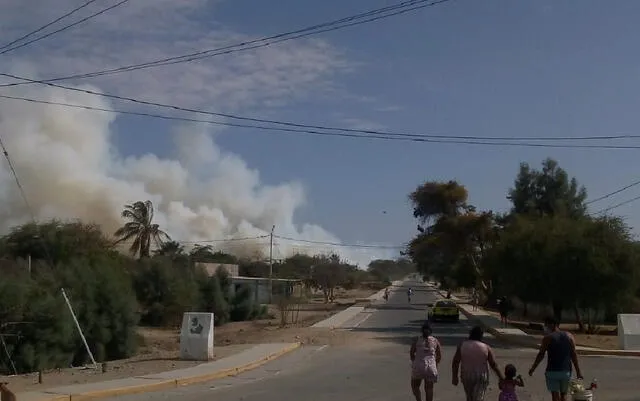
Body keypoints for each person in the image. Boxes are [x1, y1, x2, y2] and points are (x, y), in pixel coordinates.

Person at [528, 317, 583, 401]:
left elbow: (541, 354)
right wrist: (578, 372)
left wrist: (533, 368)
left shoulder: (547, 338)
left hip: (552, 371)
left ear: (553, 325)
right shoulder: (569, 336)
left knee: (554, 396)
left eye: (546, 325)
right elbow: (573, 355)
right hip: (566, 371)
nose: (545, 327)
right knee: (564, 395)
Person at [452, 326, 504, 401]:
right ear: (481, 336)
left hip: (467, 376)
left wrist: (454, 377)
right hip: (481, 376)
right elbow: (493, 364)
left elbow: (456, 362)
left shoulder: (462, 345)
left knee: (469, 398)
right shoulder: (486, 347)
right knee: (478, 398)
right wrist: (501, 377)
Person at [410, 321, 442, 401]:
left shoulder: (417, 340)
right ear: (431, 331)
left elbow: (412, 353)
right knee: (429, 388)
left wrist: (415, 361)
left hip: (418, 366)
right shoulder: (435, 341)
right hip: (431, 367)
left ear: (422, 330)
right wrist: (435, 364)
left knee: (415, 386)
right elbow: (439, 355)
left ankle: (418, 399)